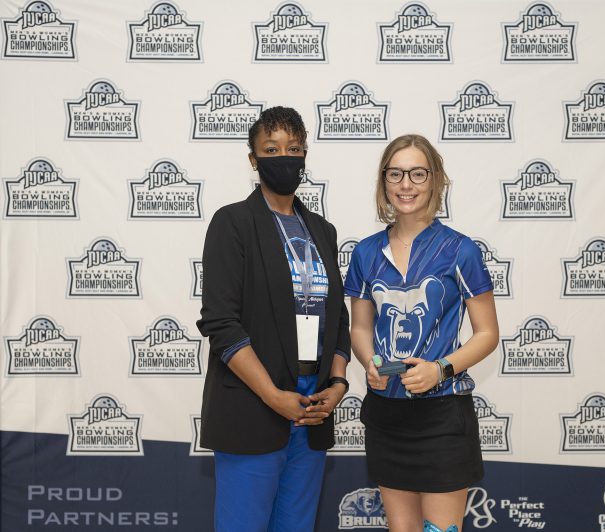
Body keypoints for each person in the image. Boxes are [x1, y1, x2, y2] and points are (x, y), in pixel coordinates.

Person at [197, 106, 351, 532]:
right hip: (253, 404)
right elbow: (221, 324)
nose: (284, 156)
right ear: (253, 159)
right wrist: (271, 394)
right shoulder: (233, 223)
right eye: (271, 148)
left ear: (305, 155)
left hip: (313, 408)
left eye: (294, 148)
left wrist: (337, 383)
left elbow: (337, 319)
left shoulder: (323, 230)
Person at [345, 134, 499, 532]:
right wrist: (368, 362)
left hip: (442, 417)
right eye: (395, 174)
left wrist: (440, 370)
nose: (406, 184)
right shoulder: (365, 253)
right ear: (383, 181)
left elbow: (487, 334)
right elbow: (360, 326)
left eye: (417, 173)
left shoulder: (460, 250)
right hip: (386, 414)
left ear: (434, 180)